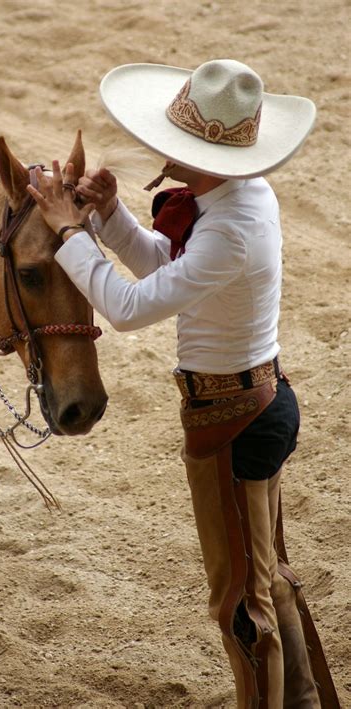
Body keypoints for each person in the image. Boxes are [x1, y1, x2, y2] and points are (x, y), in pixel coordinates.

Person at [27, 59, 339, 708]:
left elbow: (130, 307)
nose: (166, 160)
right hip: (257, 403)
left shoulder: (231, 228)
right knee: (266, 581)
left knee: (240, 605)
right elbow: (170, 267)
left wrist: (66, 230)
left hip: (235, 419)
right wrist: (109, 217)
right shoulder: (239, 198)